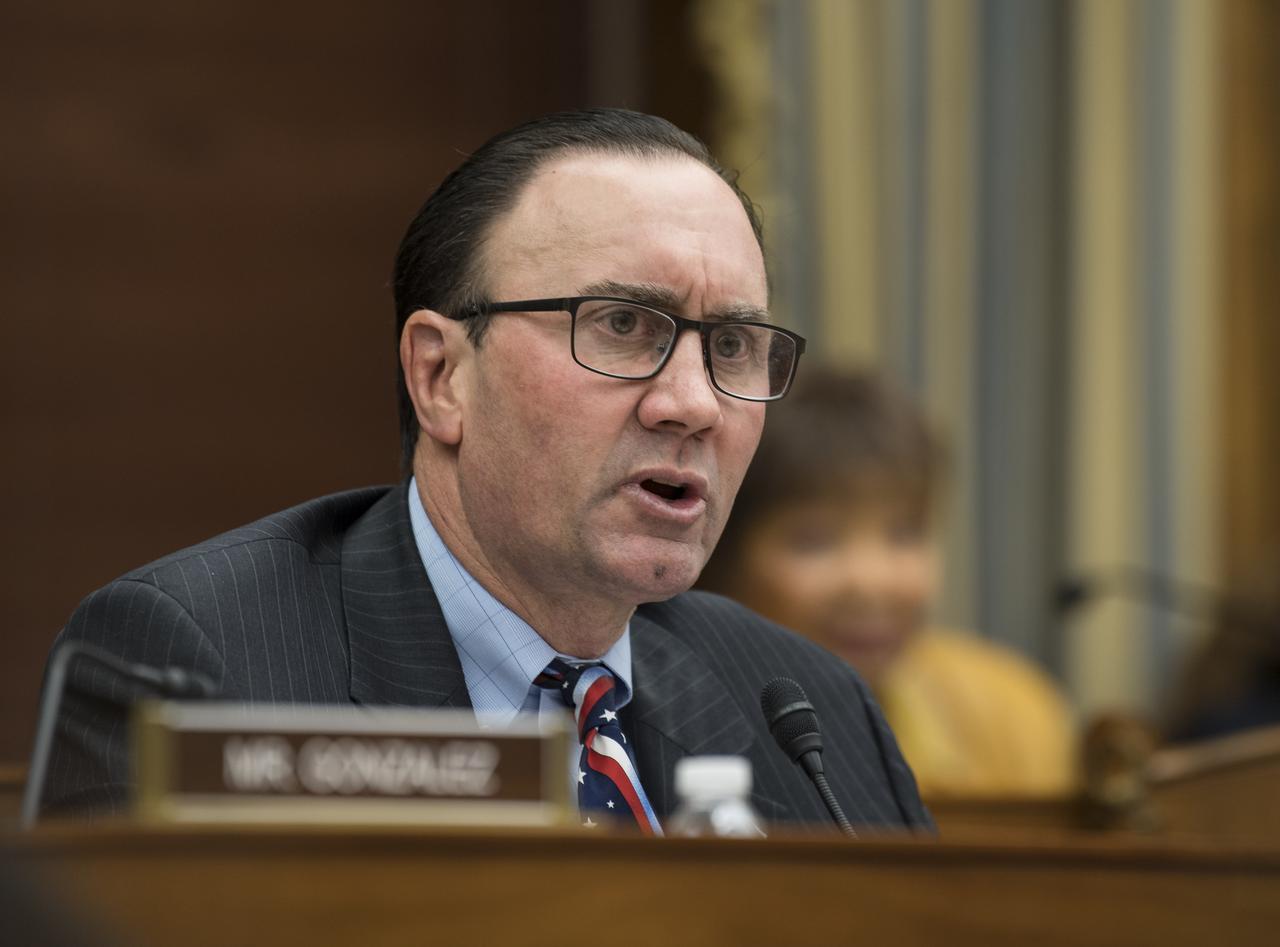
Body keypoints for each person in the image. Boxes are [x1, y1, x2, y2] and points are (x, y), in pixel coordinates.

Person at [38, 108, 930, 832]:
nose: (693, 402)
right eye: (622, 324)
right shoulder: (200, 662)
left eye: (730, 344)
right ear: (441, 376)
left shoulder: (811, 709)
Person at [700, 368, 1077, 797]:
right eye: (814, 540)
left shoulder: (1011, 713)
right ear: (719, 552)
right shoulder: (652, 723)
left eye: (904, 533)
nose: (871, 582)